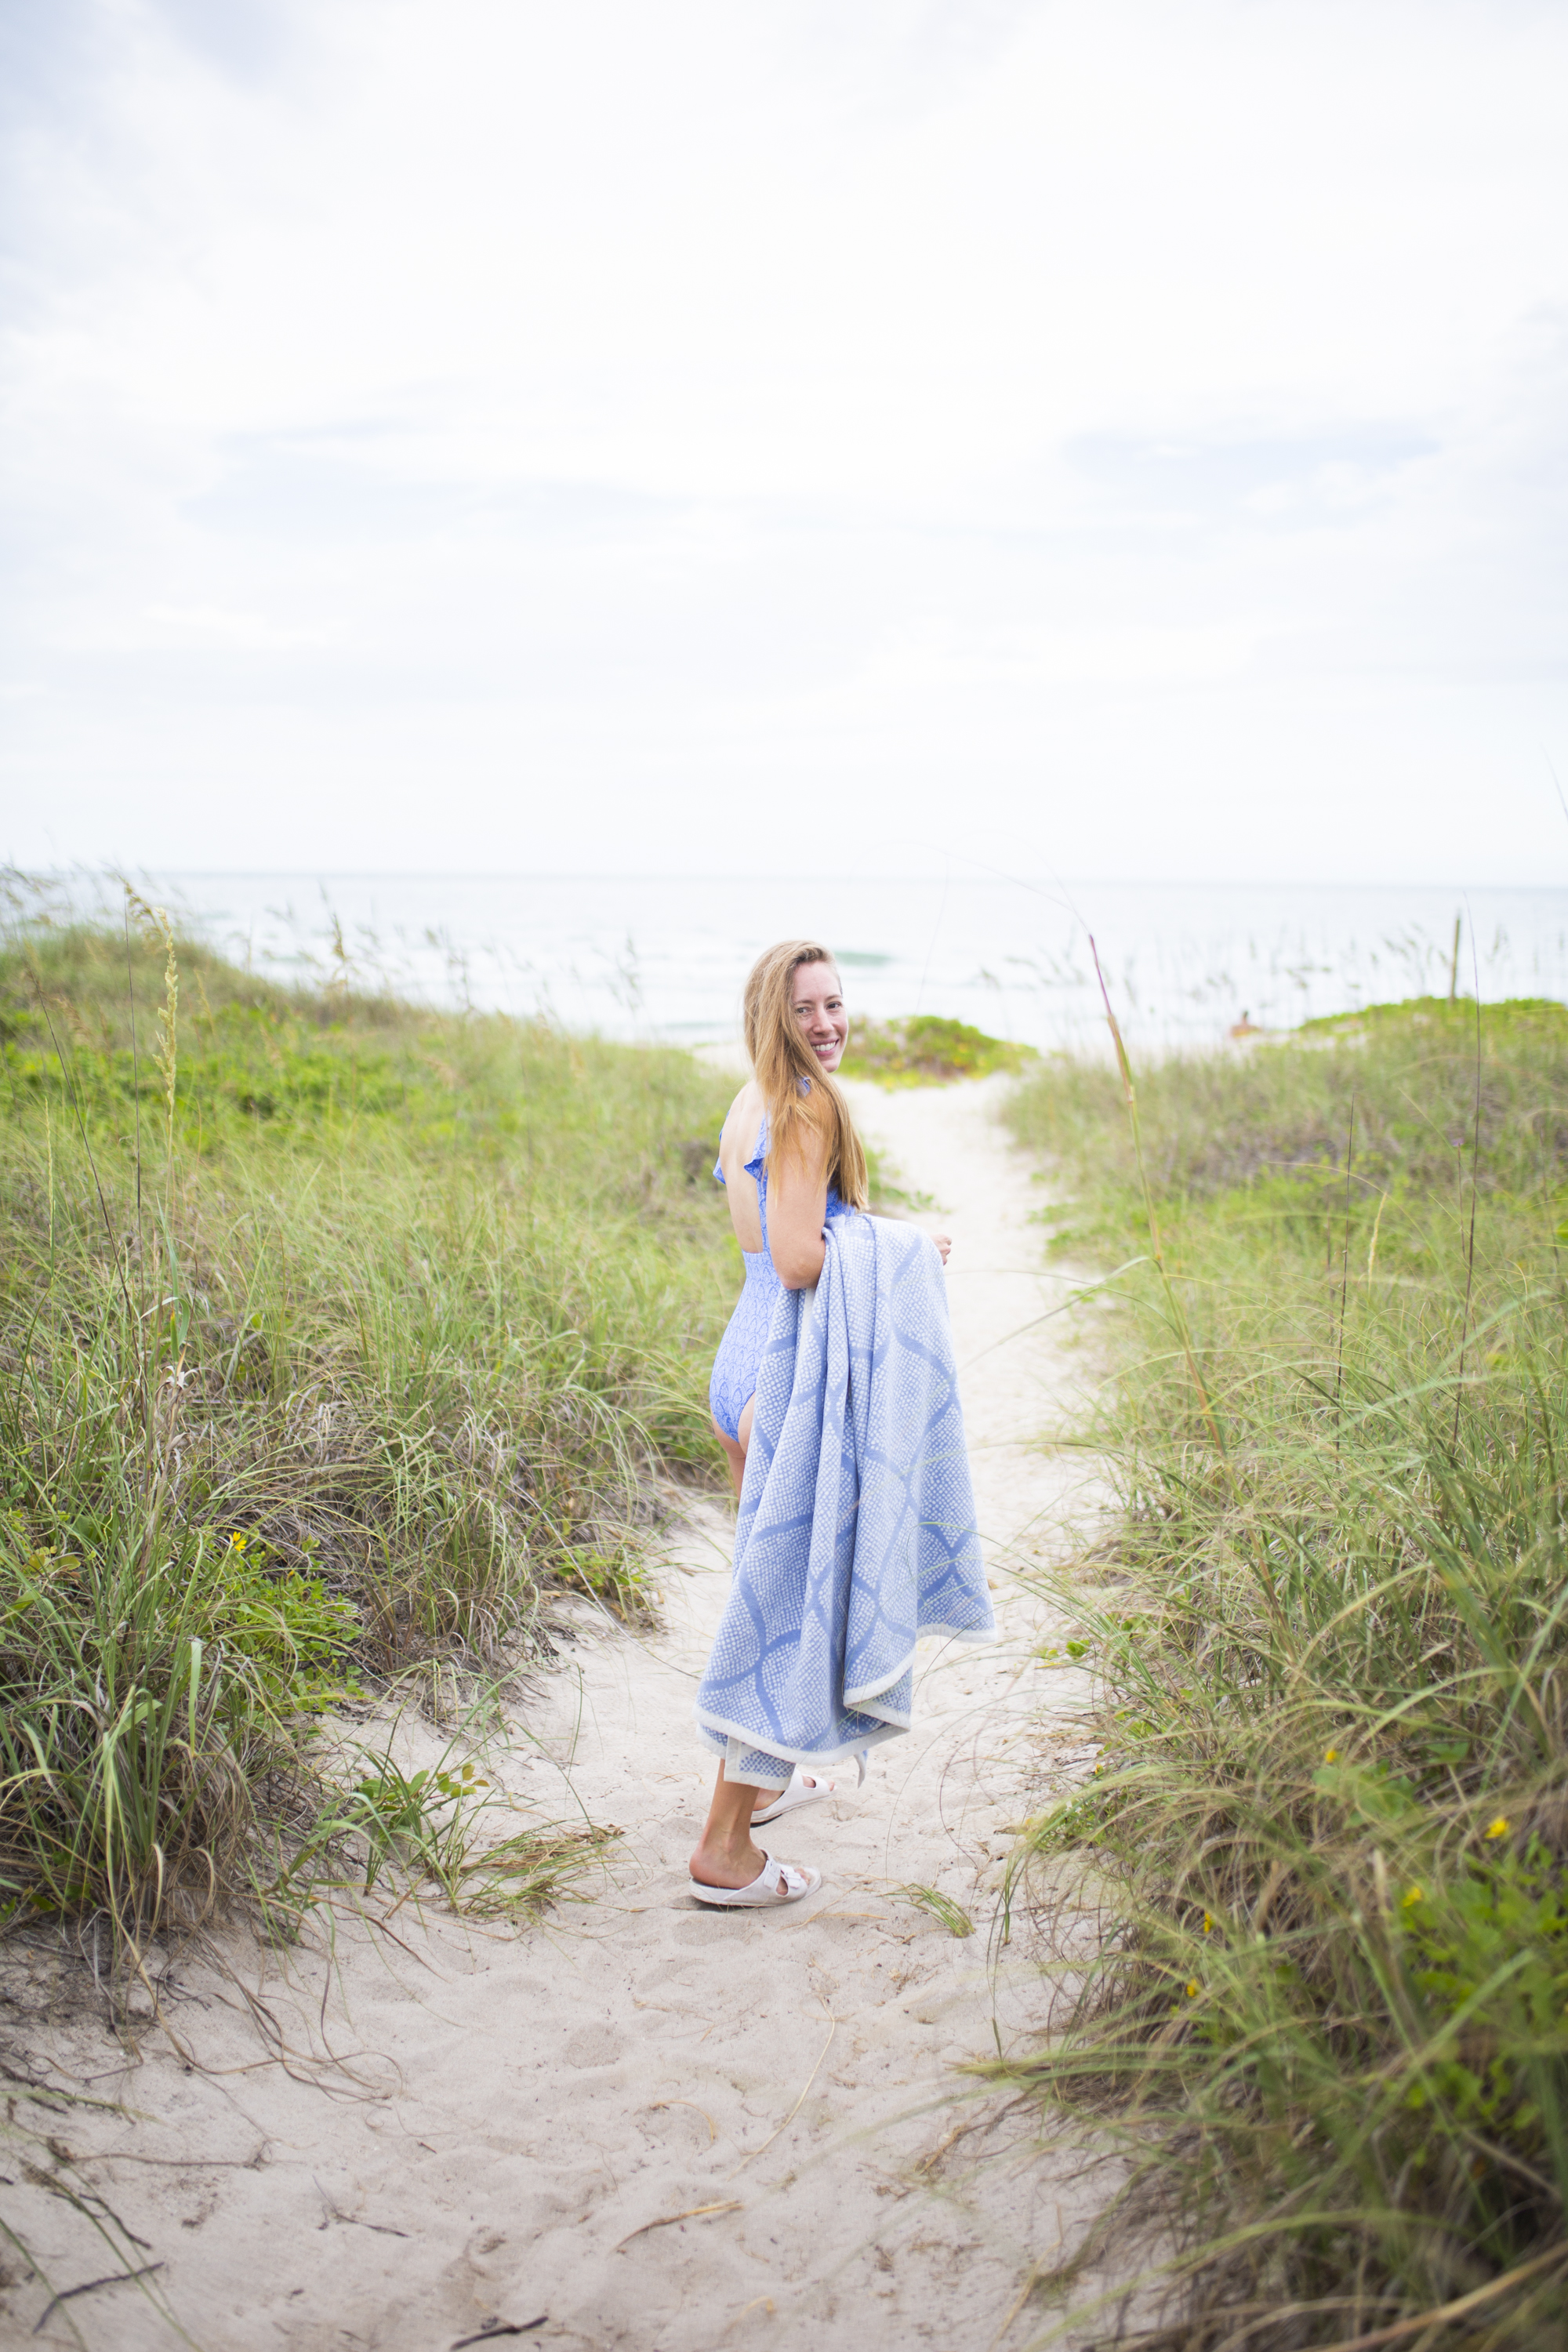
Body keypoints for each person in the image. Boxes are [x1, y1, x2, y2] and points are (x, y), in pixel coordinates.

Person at [690, 940, 964, 1908]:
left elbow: (775, 1241)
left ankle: (763, 1790)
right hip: (787, 1369)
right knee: (786, 1617)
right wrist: (901, 1245)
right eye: (805, 1009)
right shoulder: (805, 1105)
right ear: (775, 1014)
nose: (826, 1025)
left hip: (741, 1359)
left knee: (763, 1597)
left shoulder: (751, 1097)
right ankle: (723, 1849)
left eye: (836, 1004)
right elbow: (804, 1258)